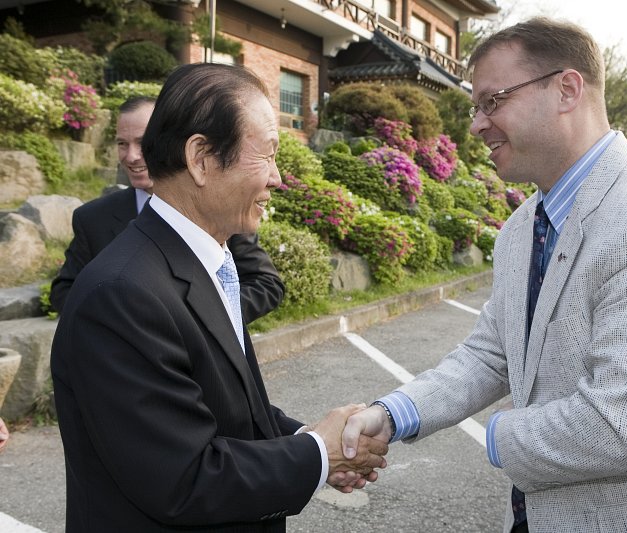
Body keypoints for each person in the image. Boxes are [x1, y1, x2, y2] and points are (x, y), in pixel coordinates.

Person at [343, 16, 627, 533]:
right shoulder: (521, 227)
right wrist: (392, 413)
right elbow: (492, 351)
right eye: (475, 107)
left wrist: (497, 434)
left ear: (566, 89)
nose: (475, 125)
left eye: (493, 101)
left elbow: (624, 430)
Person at [51, 63, 387, 532]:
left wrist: (309, 440)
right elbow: (181, 478)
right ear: (201, 158)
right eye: (267, 156)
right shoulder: (122, 294)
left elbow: (226, 407)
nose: (277, 178)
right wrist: (317, 453)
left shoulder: (207, 261)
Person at [49, 96, 285, 322]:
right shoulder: (92, 217)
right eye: (122, 144)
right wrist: (122, 320)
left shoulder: (218, 209)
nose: (131, 156)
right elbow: (64, 291)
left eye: (142, 143)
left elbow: (265, 284)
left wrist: (205, 321)